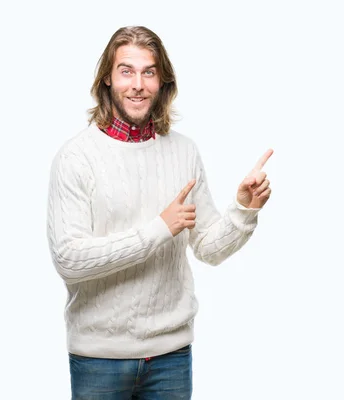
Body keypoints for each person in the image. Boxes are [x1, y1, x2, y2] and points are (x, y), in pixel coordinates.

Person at [46, 25, 272, 399]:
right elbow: (69, 259)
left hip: (171, 356)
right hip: (99, 359)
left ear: (162, 81)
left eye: (148, 72)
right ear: (107, 79)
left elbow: (208, 248)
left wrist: (244, 210)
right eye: (126, 71)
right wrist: (157, 230)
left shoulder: (184, 152)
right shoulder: (75, 158)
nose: (138, 84)